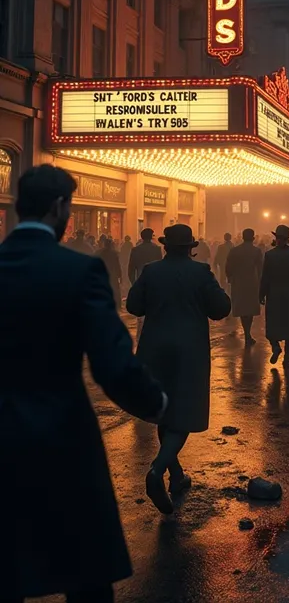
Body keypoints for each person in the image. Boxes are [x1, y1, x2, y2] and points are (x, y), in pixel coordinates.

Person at [0, 164, 167, 603]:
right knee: (85, 572)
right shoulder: (78, 271)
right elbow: (113, 366)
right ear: (59, 208)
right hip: (62, 439)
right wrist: (156, 403)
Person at [127, 224, 231, 515]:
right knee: (183, 413)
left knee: (164, 410)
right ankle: (157, 470)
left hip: (154, 350)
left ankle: (177, 476)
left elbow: (134, 306)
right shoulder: (201, 272)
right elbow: (221, 308)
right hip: (189, 353)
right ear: (190, 247)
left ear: (165, 247)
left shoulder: (150, 271)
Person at [259, 224, 289, 368]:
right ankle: (288, 358)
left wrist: (261, 294)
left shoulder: (269, 255)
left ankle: (275, 347)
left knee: (272, 324)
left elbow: (265, 277)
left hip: (274, 294)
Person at [225, 228, 263, 346]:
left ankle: (247, 333)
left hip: (238, 282)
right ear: (253, 237)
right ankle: (247, 333)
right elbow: (261, 269)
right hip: (252, 283)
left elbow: (228, 266)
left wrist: (230, 278)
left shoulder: (235, 250)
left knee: (242, 308)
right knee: (249, 309)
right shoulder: (256, 251)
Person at [97, 238, 122, 310]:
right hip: (112, 274)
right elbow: (117, 265)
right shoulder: (114, 253)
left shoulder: (99, 252)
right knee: (115, 290)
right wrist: (120, 275)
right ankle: (117, 305)